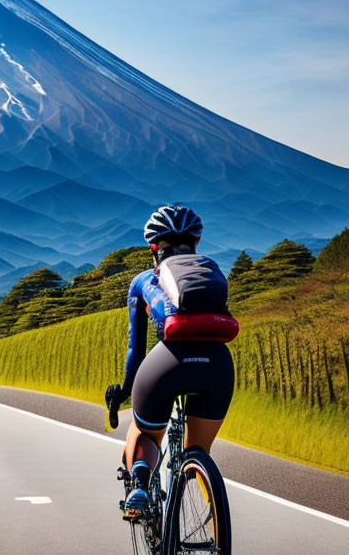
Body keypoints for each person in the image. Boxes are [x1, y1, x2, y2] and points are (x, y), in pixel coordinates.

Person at [107, 205, 235, 521]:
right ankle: (204, 492)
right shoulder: (210, 270)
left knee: (147, 432)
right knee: (198, 451)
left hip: (168, 363)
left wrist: (124, 391)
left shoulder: (142, 281)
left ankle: (139, 485)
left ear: (154, 249)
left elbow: (135, 350)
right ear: (195, 245)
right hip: (217, 364)